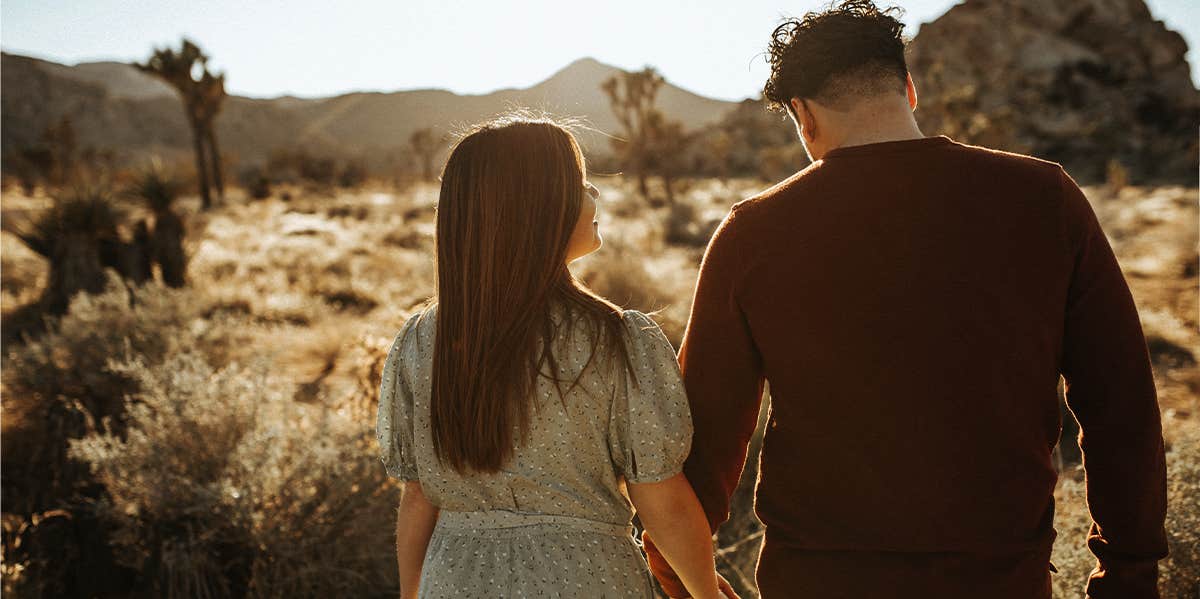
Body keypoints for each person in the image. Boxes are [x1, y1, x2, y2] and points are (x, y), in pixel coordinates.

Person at [641, 1, 1168, 598]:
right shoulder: (1045, 199)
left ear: (803, 114)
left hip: (817, 582)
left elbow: (705, 432)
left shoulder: (753, 233)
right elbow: (1120, 403)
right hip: (998, 580)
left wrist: (681, 572)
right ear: (909, 90)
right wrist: (1127, 572)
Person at [376, 113, 737, 599]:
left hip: (456, 580)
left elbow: (419, 498)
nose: (596, 195)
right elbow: (661, 497)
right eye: (581, 184)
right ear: (538, 209)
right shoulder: (619, 340)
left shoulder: (420, 341)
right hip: (589, 578)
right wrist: (706, 594)